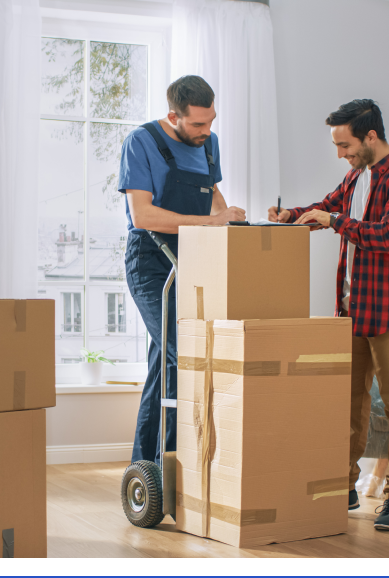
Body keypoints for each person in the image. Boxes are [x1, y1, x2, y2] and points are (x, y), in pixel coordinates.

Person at [268, 99, 389, 531]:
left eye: (345, 145)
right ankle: (344, 488)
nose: (341, 154)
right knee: (348, 402)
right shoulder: (357, 176)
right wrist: (294, 215)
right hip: (353, 311)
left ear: (371, 136)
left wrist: (335, 219)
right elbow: (327, 207)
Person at [118, 75, 246, 466]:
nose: (206, 132)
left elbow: (213, 197)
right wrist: (212, 223)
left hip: (192, 259)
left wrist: (233, 221)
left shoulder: (210, 143)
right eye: (197, 125)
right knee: (185, 351)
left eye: (211, 122)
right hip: (151, 262)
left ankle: (151, 465)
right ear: (173, 115)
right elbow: (142, 215)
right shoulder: (141, 142)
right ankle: (179, 460)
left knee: (166, 361)